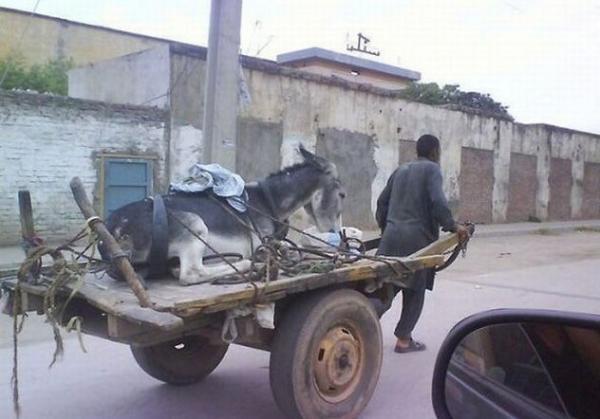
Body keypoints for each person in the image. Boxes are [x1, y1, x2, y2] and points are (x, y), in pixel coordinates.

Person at [375, 134, 469, 353]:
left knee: (385, 288)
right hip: (417, 240)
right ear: (435, 151)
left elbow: (381, 203)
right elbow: (438, 201)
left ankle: (360, 322)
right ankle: (404, 339)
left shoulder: (401, 170)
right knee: (415, 290)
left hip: (391, 237)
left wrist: (387, 228)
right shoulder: (432, 169)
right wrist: (453, 226)